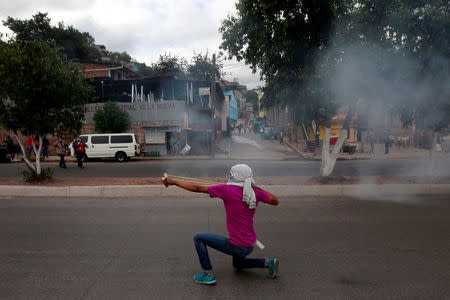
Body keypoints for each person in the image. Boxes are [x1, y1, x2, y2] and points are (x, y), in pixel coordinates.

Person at [162, 164, 280, 285]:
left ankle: (208, 274)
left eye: (231, 174)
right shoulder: (255, 192)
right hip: (250, 244)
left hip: (238, 246)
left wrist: (173, 182)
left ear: (236, 176)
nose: (228, 176)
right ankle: (268, 263)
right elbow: (275, 201)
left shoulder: (227, 190)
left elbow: (197, 188)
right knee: (238, 264)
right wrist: (256, 187)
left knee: (198, 237)